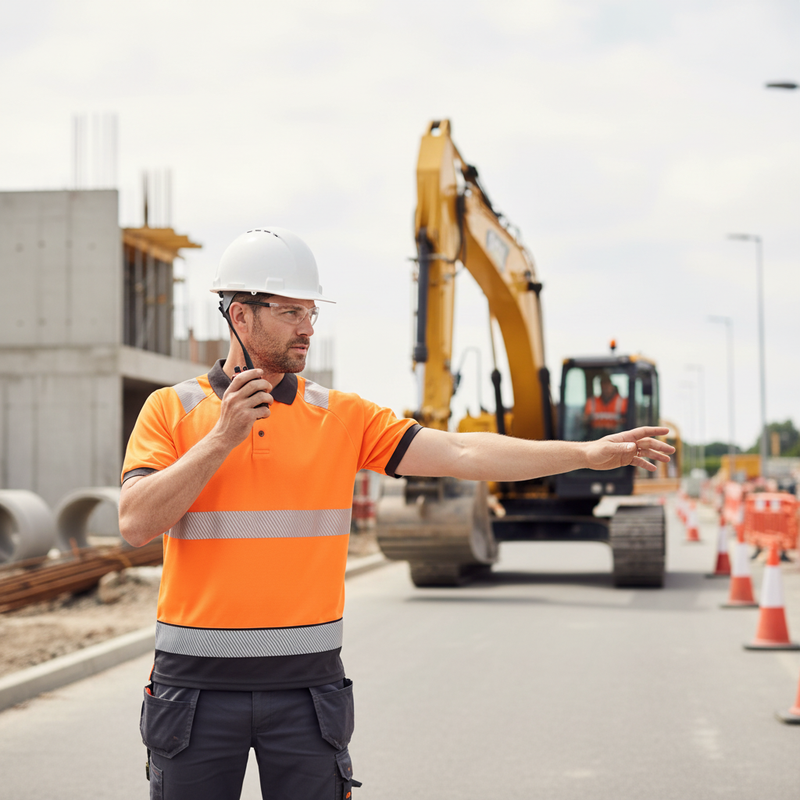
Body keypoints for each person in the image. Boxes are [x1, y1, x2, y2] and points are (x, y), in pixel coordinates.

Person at [119, 227, 674, 800]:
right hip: (194, 693)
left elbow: (461, 451)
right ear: (240, 316)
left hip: (307, 692)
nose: (308, 326)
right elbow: (135, 524)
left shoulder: (342, 416)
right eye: (290, 312)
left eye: (311, 311)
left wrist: (584, 454)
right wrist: (219, 441)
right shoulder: (171, 409)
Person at [584, 371, 629, 438]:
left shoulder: (622, 402)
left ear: (612, 386)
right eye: (603, 384)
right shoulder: (592, 402)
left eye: (607, 384)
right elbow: (584, 420)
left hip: (617, 438)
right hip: (596, 438)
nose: (605, 388)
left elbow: (628, 421)